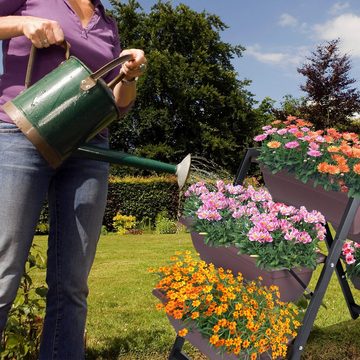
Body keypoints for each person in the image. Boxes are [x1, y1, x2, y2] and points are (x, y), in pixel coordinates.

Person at [0, 0, 147, 358]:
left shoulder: (107, 24)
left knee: (72, 284)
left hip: (88, 150)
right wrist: (22, 25)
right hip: (23, 133)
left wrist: (129, 75)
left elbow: (119, 105)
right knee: (3, 268)